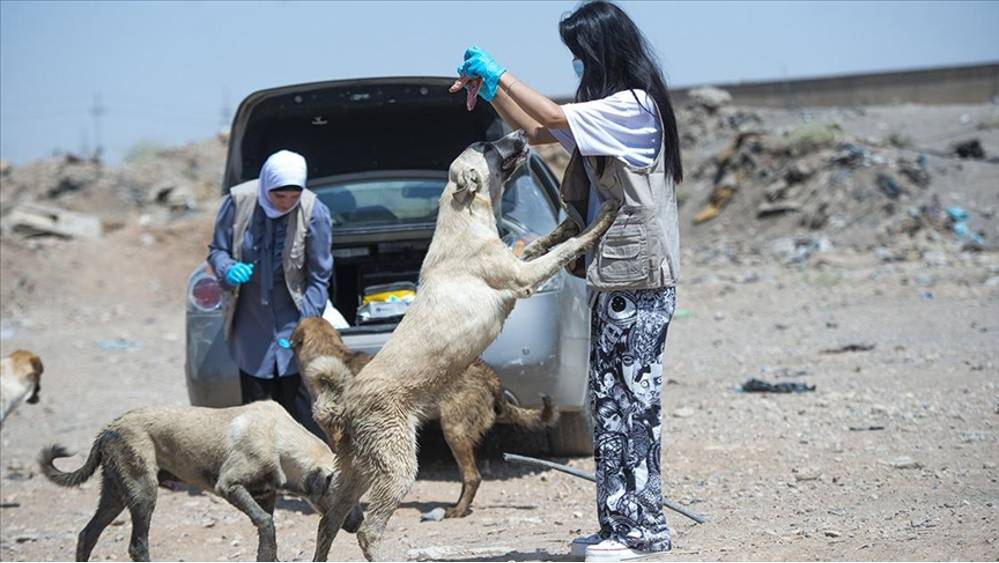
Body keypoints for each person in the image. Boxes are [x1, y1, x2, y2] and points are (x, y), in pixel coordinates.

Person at [456, 2, 683, 561]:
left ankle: (644, 533)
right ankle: (616, 528)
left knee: (633, 404)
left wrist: (500, 70)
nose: (576, 67)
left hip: (641, 281)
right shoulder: (608, 110)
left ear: (602, 52)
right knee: (609, 401)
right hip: (616, 280)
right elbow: (537, 130)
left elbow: (554, 120)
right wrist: (490, 90)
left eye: (579, 56)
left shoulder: (633, 106)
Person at [207, 149, 333, 437]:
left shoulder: (314, 211)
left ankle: (307, 476)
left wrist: (307, 325)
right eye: (279, 196)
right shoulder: (238, 203)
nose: (287, 203)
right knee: (256, 406)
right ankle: (262, 475)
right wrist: (227, 269)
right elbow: (217, 250)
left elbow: (318, 275)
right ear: (266, 186)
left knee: (299, 404)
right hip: (251, 319)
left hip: (294, 315)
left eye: (293, 196)